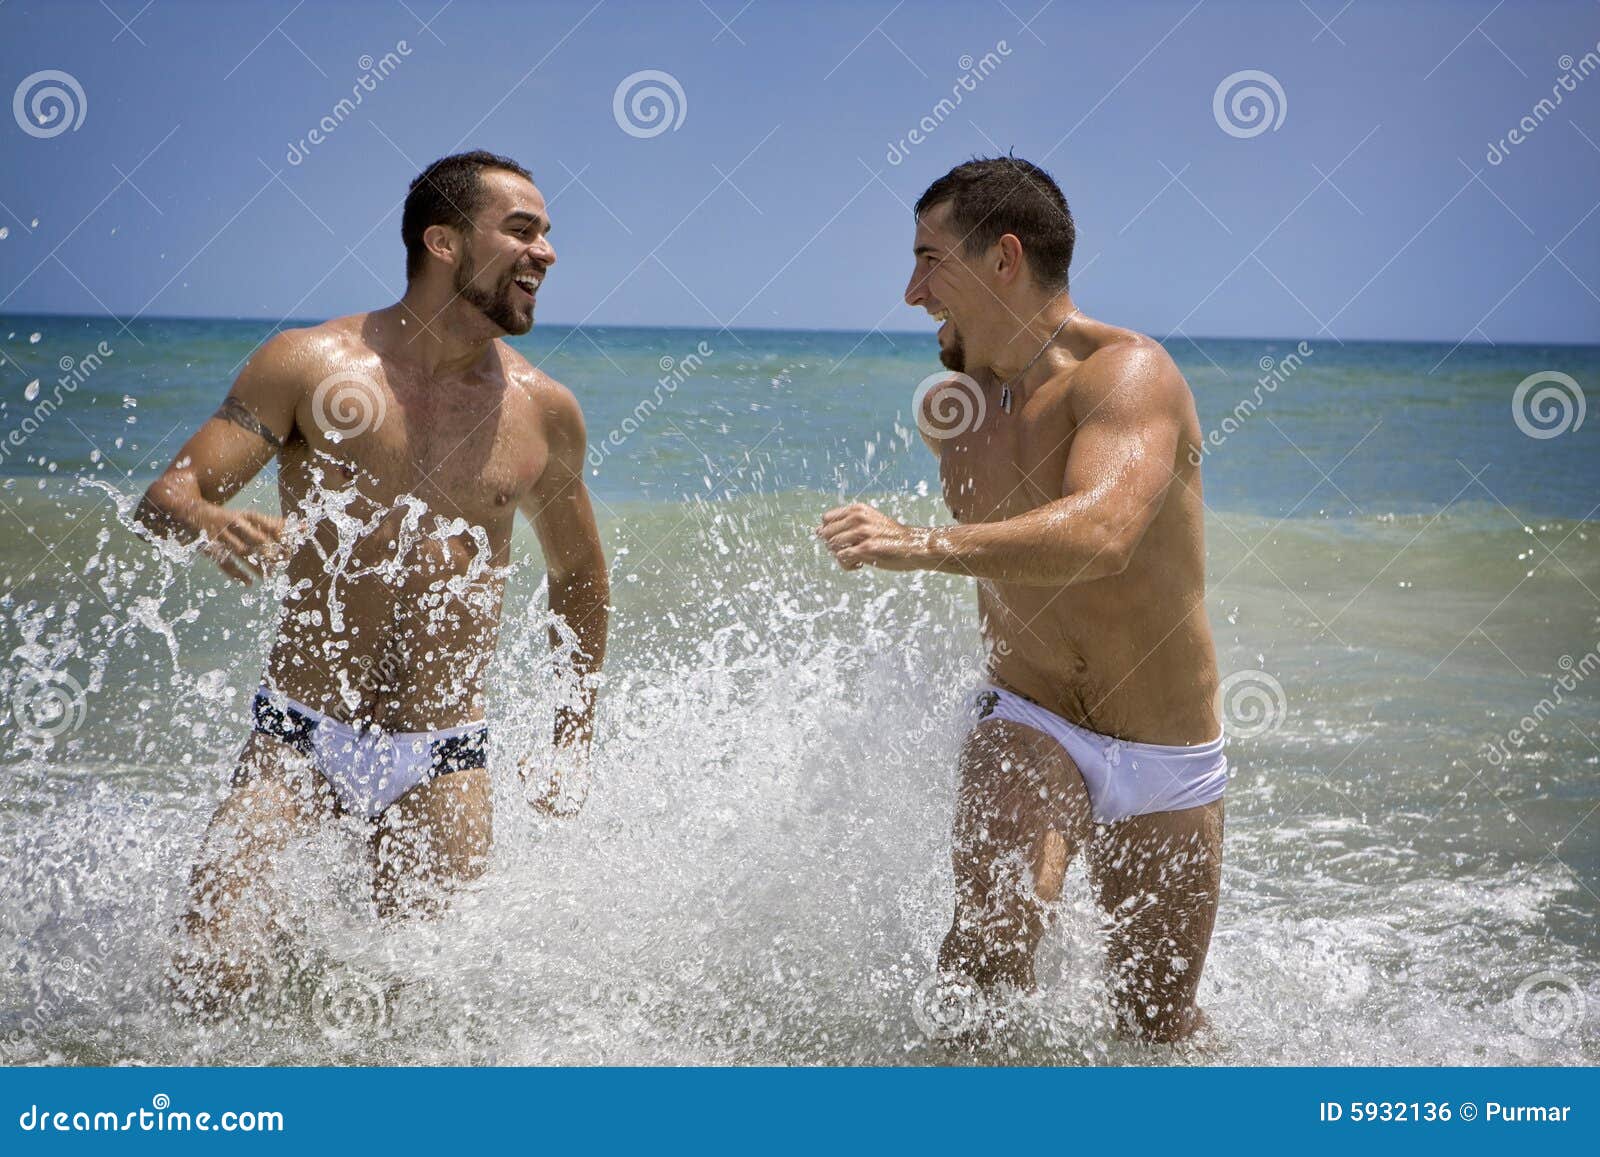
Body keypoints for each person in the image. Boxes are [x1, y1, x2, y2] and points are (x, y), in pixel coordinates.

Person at [137, 150, 609, 1001]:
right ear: (443, 242)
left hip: (445, 754)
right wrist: (207, 518)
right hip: (300, 736)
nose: (546, 253)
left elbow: (579, 575)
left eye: (548, 234)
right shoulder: (309, 364)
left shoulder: (544, 410)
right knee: (208, 981)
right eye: (523, 231)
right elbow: (168, 494)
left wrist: (572, 732)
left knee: (418, 1023)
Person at [818, 157, 1225, 1043]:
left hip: (1167, 751)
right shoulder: (952, 407)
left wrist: (917, 545)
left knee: (1156, 1024)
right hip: (1030, 714)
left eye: (931, 261)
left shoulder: (1127, 375)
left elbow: (1103, 532)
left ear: (1004, 260)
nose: (912, 291)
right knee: (987, 954)